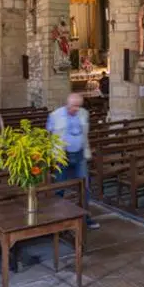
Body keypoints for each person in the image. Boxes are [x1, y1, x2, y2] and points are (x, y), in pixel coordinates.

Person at [46, 93, 99, 229]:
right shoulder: (55, 115)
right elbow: (49, 134)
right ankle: (57, 218)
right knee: (60, 185)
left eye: (78, 106)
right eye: (74, 106)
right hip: (62, 156)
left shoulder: (84, 113)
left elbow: (85, 133)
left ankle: (85, 217)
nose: (76, 109)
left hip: (80, 154)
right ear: (67, 104)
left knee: (84, 186)